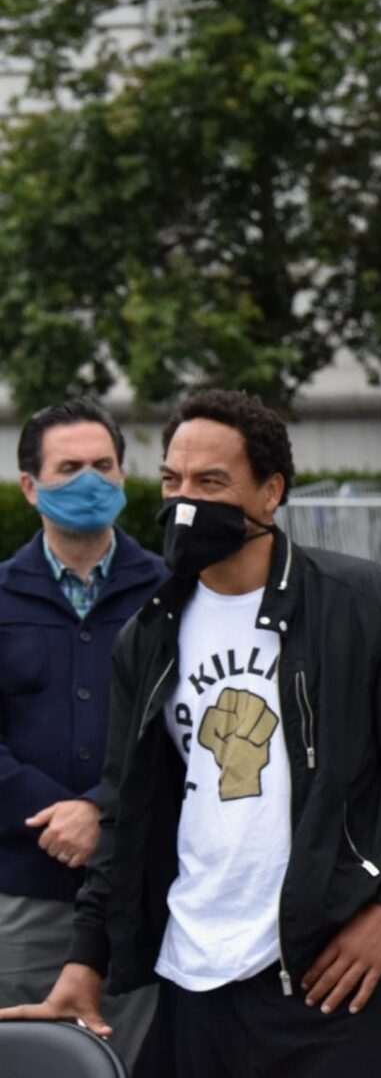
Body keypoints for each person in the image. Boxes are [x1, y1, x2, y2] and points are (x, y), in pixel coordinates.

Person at [0, 389, 381, 1077]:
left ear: (271, 491)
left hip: (324, 974)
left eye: (211, 482)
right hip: (190, 981)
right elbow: (128, 807)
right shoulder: (152, 631)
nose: (185, 501)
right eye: (172, 480)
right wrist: (87, 955)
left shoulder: (364, 605)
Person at [0, 399, 164, 1068]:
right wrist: (54, 815)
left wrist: (101, 808)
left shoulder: (168, 592)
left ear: (125, 477)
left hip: (138, 890)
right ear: (30, 486)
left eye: (104, 466)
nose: (90, 482)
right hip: (24, 892)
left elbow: (182, 732)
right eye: (70, 469)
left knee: (134, 1060)